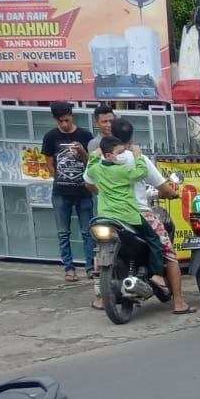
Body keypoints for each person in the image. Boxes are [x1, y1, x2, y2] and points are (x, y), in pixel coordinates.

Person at [108, 119, 191, 314]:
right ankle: (178, 302)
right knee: (169, 254)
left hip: (110, 214)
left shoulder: (103, 158)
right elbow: (163, 187)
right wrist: (171, 193)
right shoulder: (139, 159)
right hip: (138, 213)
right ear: (132, 138)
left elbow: (90, 185)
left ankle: (101, 299)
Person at [83, 135, 167, 290]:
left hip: (104, 217)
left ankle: (98, 264)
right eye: (119, 152)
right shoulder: (122, 171)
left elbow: (91, 166)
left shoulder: (95, 170)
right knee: (154, 239)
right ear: (109, 155)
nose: (123, 156)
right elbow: (141, 172)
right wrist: (138, 156)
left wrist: (96, 154)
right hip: (128, 216)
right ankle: (157, 275)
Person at [42, 101, 95, 283]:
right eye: (60, 121)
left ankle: (90, 267)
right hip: (61, 192)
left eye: (66, 119)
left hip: (84, 190)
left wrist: (81, 151)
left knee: (88, 231)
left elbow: (92, 163)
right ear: (55, 119)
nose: (64, 124)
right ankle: (69, 268)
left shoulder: (85, 135)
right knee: (63, 232)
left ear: (72, 115)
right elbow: (49, 163)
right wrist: (59, 177)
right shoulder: (50, 137)